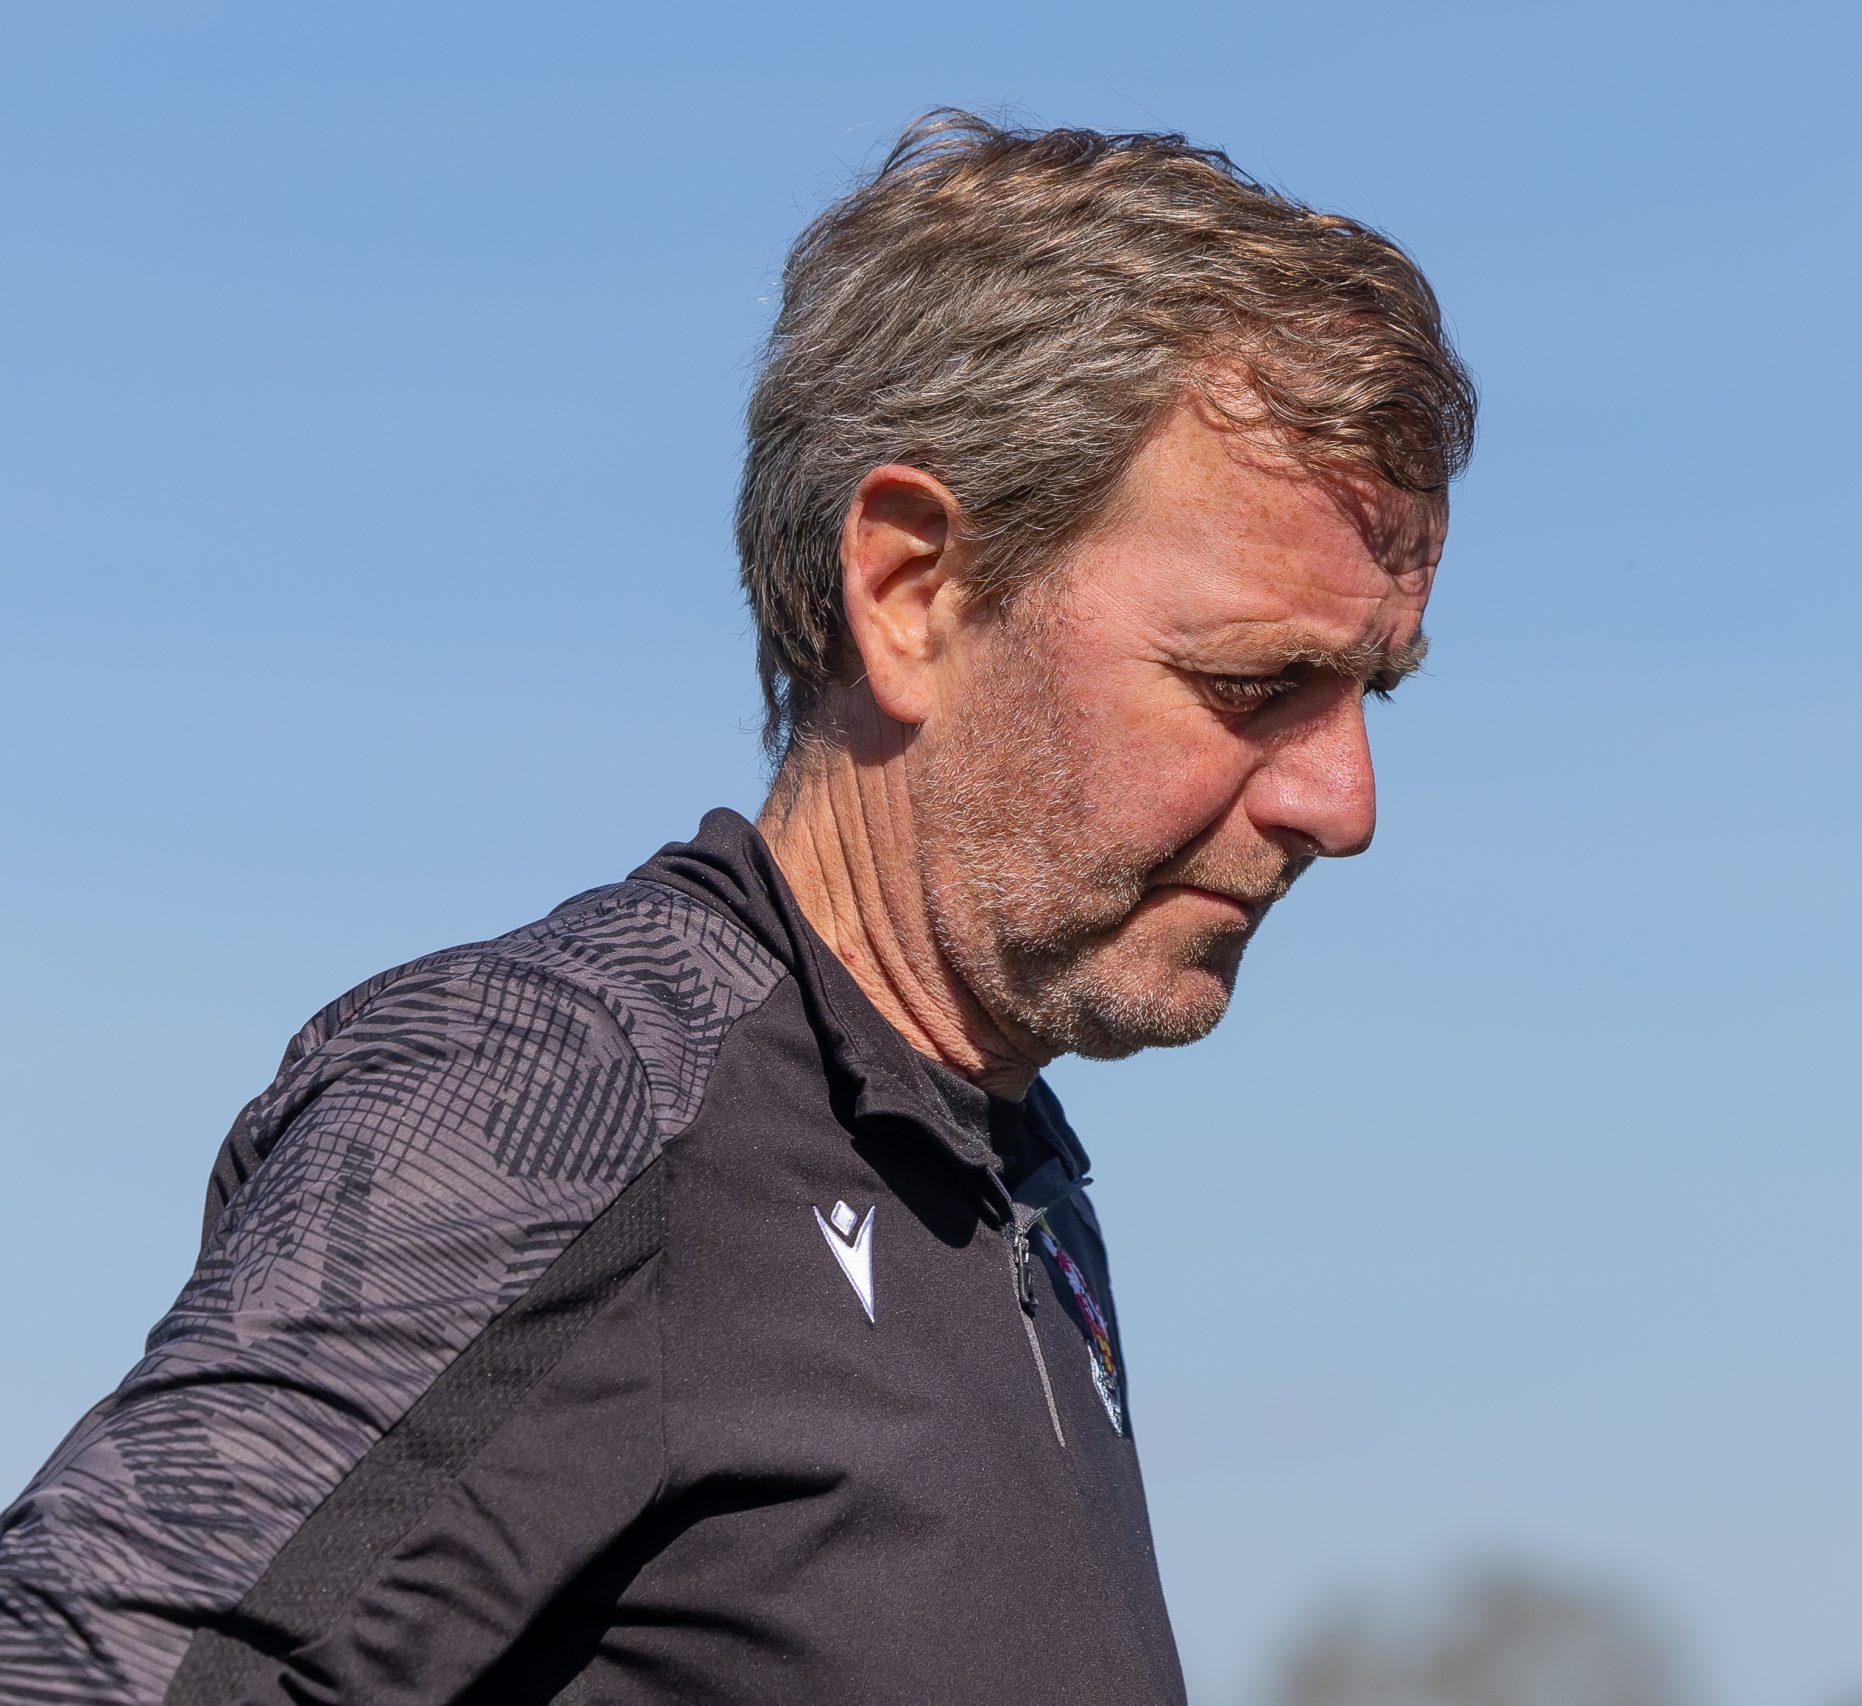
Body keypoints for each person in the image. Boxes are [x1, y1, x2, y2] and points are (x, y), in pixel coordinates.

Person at [0, 110, 1472, 1705]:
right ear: (910, 590)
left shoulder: (1016, 1181)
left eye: (1371, 689)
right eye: (1253, 680)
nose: (1344, 801)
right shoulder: (559, 1094)